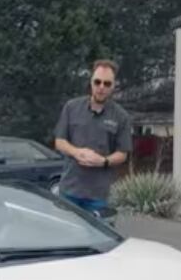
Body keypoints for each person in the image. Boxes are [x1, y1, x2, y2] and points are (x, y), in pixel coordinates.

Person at [53, 59, 133, 212]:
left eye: (107, 83)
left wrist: (103, 161)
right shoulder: (71, 107)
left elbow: (123, 154)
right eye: (97, 82)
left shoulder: (121, 117)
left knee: (100, 229)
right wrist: (76, 152)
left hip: (100, 196)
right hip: (70, 191)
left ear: (113, 86)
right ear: (91, 82)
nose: (101, 87)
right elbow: (59, 141)